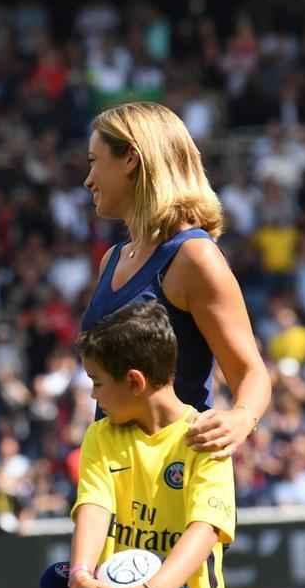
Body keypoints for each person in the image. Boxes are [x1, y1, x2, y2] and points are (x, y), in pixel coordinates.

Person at [69, 301, 236, 588]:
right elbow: (93, 504)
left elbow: (207, 527)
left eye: (97, 382)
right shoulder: (101, 436)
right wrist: (80, 577)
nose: (93, 394)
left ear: (134, 381)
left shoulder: (205, 437)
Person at [81, 102, 271, 457]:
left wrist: (241, 418)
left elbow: (251, 372)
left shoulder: (194, 257)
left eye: (94, 161)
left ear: (131, 158)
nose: (88, 179)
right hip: (112, 475)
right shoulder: (112, 259)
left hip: (175, 475)